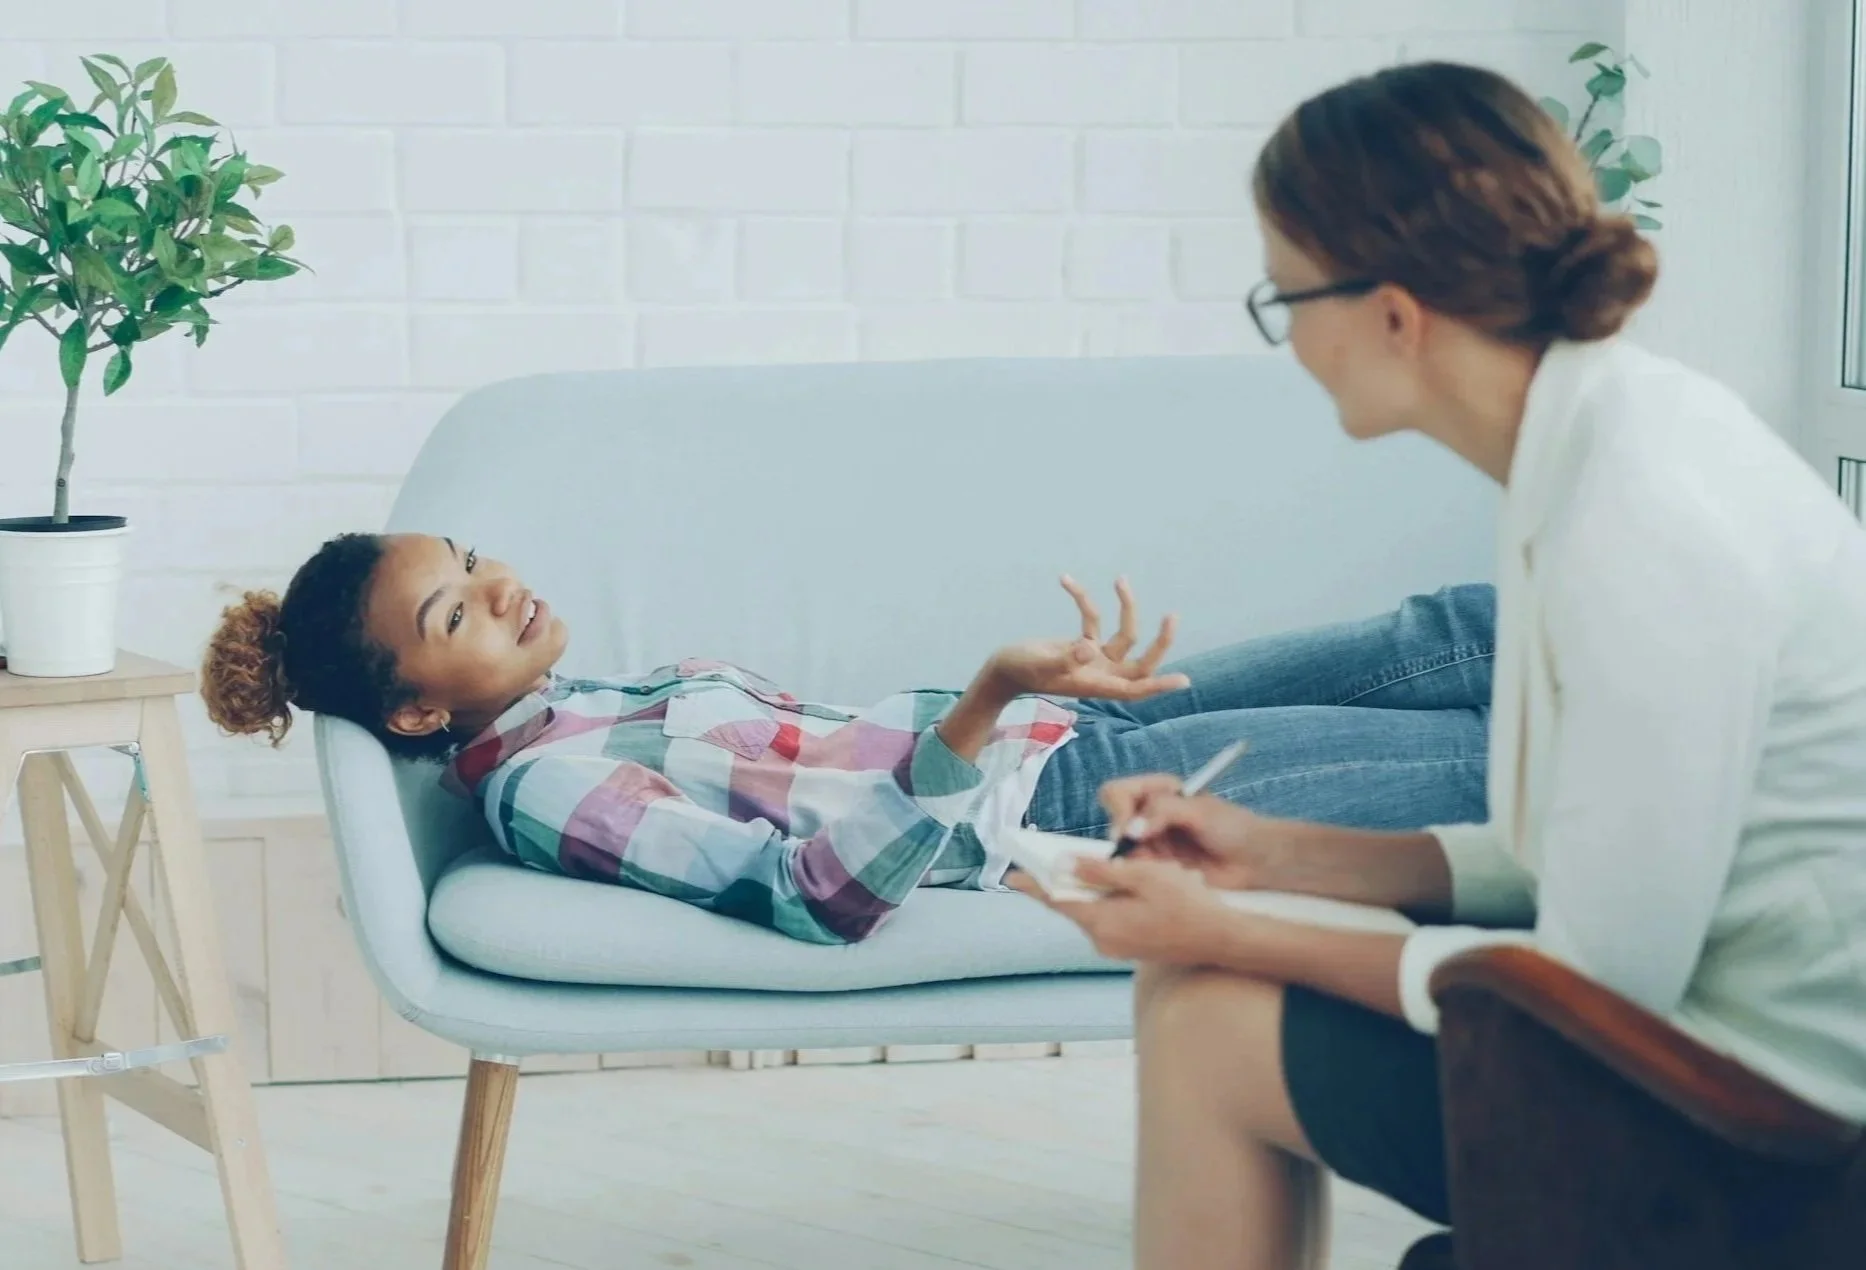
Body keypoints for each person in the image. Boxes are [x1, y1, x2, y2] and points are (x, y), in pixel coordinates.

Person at [1015, 59, 1866, 1270]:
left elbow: (1591, 987)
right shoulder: (1597, 439)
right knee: (1199, 989)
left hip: (1775, 1127)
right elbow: (1572, 864)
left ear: (1394, 313)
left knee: (1207, 1015)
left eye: (1286, 298)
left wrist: (1232, 931)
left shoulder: (1640, 521)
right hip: (1706, 1049)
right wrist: (1272, 853)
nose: (1292, 341)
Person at [200, 525, 1497, 945]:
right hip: (1057, 795)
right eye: (452, 609)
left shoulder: (575, 701)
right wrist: (980, 709)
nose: (495, 586)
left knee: (1438, 632)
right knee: (1487, 759)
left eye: (473, 561)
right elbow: (812, 896)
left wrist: (1010, 703)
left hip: (1057, 721)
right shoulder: (547, 789)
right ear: (419, 708)